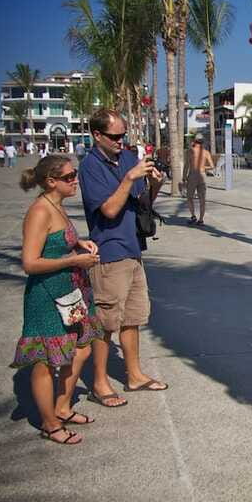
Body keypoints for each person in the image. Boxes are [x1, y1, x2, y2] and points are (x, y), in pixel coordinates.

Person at [12, 155, 105, 444]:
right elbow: (30, 262)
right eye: (68, 177)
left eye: (74, 174)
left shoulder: (56, 205)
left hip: (69, 292)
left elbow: (57, 239)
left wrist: (79, 243)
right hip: (46, 295)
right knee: (44, 361)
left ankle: (62, 406)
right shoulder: (40, 210)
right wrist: (73, 260)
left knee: (81, 349)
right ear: (51, 182)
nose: (75, 179)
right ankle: (50, 424)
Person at [78, 108, 168, 408]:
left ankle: (134, 375)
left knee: (132, 318)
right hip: (109, 252)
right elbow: (109, 210)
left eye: (123, 135)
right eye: (115, 136)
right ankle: (100, 383)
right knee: (106, 322)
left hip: (133, 249)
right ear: (97, 135)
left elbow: (144, 203)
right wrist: (129, 178)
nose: (120, 141)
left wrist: (156, 183)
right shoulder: (90, 166)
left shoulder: (128, 157)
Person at [183, 133, 214, 225]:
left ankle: (193, 216)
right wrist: (204, 168)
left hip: (192, 175)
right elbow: (212, 166)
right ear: (202, 142)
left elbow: (186, 166)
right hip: (202, 175)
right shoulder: (206, 152)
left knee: (189, 197)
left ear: (194, 141)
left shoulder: (190, 151)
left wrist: (184, 177)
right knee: (202, 199)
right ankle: (201, 220)